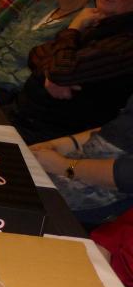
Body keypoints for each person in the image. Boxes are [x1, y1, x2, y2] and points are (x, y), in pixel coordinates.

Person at [5, 0, 133, 144]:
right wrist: (53, 70)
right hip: (22, 117)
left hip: (50, 138)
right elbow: (36, 53)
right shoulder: (99, 19)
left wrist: (73, 28)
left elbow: (61, 71)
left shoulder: (125, 41)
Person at [31, 92, 133, 225]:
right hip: (78, 164)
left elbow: (125, 175)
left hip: (99, 192)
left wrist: (64, 166)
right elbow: (115, 130)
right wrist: (55, 145)